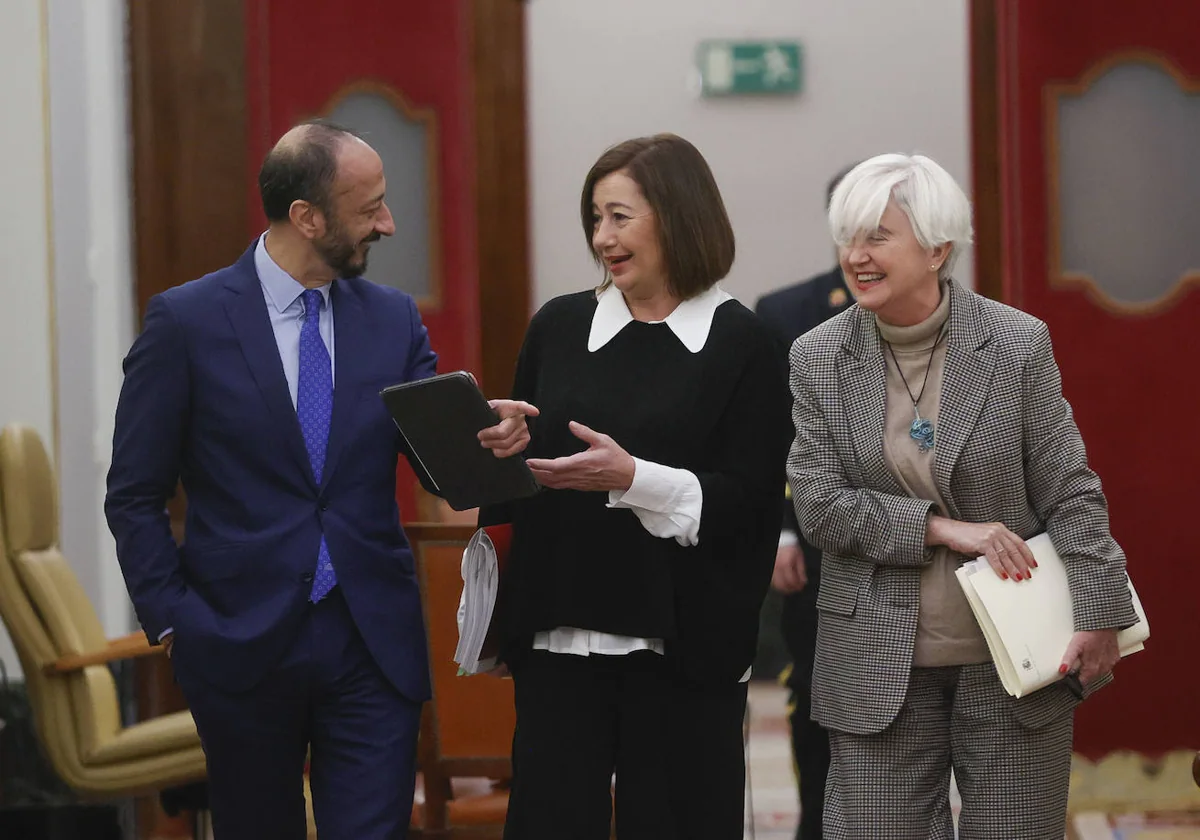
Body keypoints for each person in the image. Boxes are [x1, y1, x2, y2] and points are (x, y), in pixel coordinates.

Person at [105, 120, 532, 839]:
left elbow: (446, 464)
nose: (388, 224)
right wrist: (177, 619)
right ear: (307, 217)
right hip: (236, 640)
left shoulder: (392, 321)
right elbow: (134, 493)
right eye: (369, 209)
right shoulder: (186, 322)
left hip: (370, 638)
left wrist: (496, 435)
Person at [787, 152, 1138, 839]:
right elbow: (820, 504)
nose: (854, 256)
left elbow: (1070, 488)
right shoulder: (817, 356)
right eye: (847, 238)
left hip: (1013, 659)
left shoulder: (1014, 344)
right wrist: (946, 530)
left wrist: (1101, 609)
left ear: (938, 246)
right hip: (877, 659)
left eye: (876, 237)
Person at [475, 133, 792, 839]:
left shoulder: (743, 344)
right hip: (559, 641)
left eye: (620, 217)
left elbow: (749, 504)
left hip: (679, 652)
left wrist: (635, 479)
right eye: (595, 218)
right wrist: (503, 445)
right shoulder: (558, 326)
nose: (603, 238)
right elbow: (516, 483)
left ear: (678, 217)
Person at [753, 166, 856, 840]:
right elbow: (768, 438)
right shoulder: (785, 314)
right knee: (816, 697)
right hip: (819, 544)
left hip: (925, 544)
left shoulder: (958, 317)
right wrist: (782, 532)